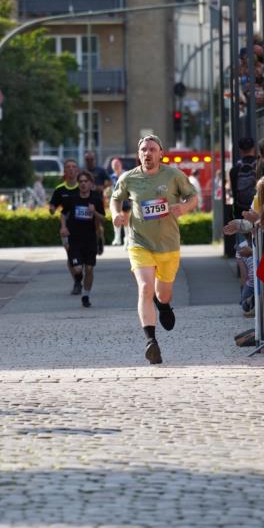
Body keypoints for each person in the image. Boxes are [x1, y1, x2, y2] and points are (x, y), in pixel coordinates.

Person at [110, 134, 197, 365]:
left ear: (161, 153)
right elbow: (115, 198)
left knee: (162, 293)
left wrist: (184, 208)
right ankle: (151, 342)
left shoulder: (174, 175)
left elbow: (193, 196)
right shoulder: (129, 178)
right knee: (145, 288)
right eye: (143, 150)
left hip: (168, 244)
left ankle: (164, 304)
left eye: (152, 149)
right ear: (139, 155)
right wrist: (115, 214)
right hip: (139, 242)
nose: (147, 153)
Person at [59, 170, 106, 309]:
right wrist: (63, 227)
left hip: (90, 239)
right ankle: (78, 278)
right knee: (78, 269)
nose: (83, 184)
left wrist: (94, 212)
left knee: (90, 269)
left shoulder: (96, 199)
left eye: (86, 181)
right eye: (81, 182)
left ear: (91, 183)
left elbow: (103, 220)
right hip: (75, 239)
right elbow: (63, 214)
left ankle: (86, 295)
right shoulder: (72, 198)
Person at [50, 159, 84, 293]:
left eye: (73, 167)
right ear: (64, 171)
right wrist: (52, 208)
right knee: (71, 255)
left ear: (77, 170)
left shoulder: (83, 186)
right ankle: (77, 282)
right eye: (68, 167)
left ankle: (80, 276)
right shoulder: (60, 190)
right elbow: (53, 205)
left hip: (84, 227)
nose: (71, 169)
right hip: (67, 228)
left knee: (83, 258)